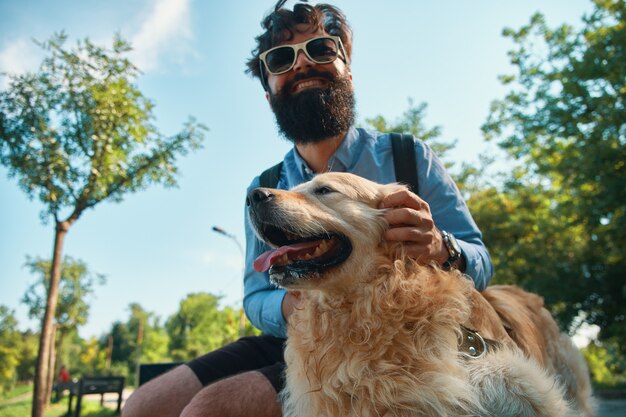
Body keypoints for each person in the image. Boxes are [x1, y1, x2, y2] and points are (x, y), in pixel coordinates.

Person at [122, 2, 493, 416]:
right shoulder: (264, 189)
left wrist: (441, 247)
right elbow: (256, 295)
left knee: (211, 410)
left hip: (394, 339)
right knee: (143, 406)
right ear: (269, 93)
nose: (301, 64)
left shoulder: (408, 157)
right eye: (281, 59)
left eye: (320, 49)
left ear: (347, 71)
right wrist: (290, 305)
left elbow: (481, 262)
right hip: (298, 332)